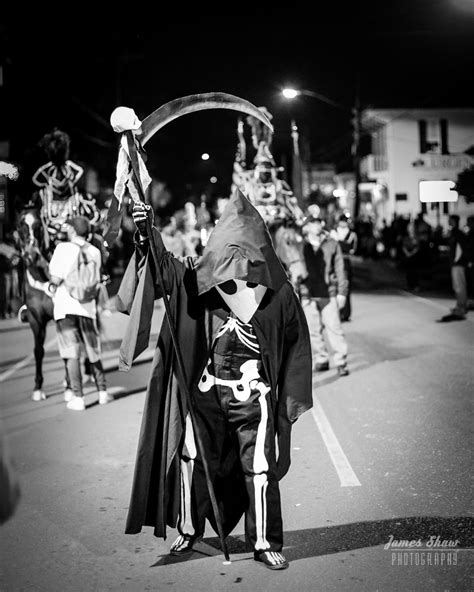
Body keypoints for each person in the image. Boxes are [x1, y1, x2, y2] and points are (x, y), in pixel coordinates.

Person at [119, 189, 313, 570]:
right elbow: (163, 268)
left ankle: (263, 541)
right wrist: (147, 233)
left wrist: (287, 403)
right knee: (191, 456)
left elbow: (296, 349)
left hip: (253, 394)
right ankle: (189, 528)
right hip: (205, 392)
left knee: (259, 466)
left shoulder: (279, 293)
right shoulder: (197, 276)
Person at [47, 216, 112, 410]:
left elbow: (55, 278)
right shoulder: (94, 251)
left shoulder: (63, 249)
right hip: (88, 307)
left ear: (73, 231)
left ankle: (78, 397)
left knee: (71, 353)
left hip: (66, 307)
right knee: (93, 350)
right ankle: (102, 392)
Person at [300, 213, 350, 376]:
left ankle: (341, 361)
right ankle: (321, 359)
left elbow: (340, 269)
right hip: (308, 294)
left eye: (318, 221)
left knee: (334, 328)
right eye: (312, 222)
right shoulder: (301, 246)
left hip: (329, 294)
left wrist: (342, 292)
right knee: (313, 330)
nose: (316, 225)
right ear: (306, 227)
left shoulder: (332, 244)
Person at [440, 214, 469, 321]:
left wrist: (457, 261)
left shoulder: (457, 233)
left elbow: (462, 248)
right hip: (455, 263)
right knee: (457, 286)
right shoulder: (454, 232)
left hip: (458, 264)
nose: (448, 221)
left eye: (450, 220)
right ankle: (459, 306)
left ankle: (461, 308)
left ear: (454, 221)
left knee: (459, 286)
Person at [330, 212, 358, 321]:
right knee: (335, 287)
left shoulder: (352, 234)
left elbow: (352, 249)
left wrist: (341, 244)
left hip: (346, 261)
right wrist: (343, 245)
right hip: (335, 261)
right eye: (342, 221)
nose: (343, 223)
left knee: (346, 287)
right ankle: (336, 312)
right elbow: (333, 246)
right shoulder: (333, 232)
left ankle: (346, 313)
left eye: (345, 221)